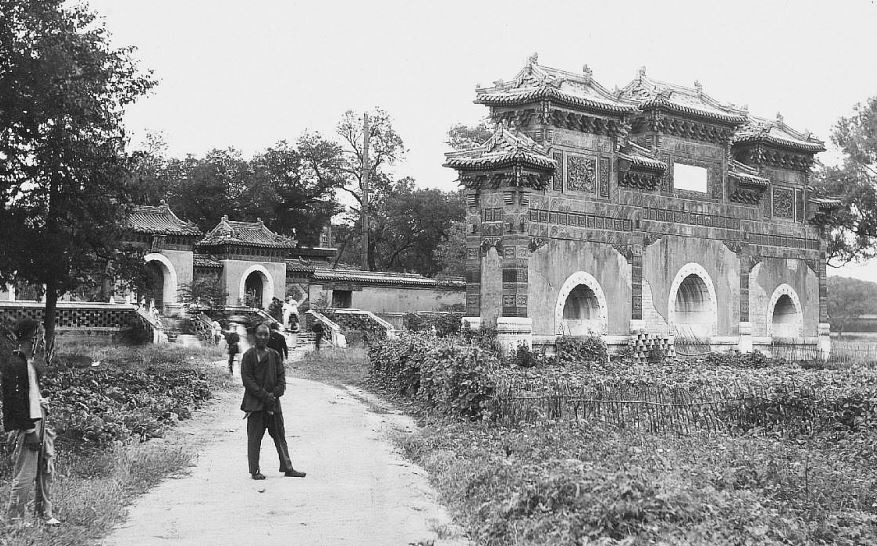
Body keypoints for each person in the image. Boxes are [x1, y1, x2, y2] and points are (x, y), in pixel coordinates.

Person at [1, 319, 60, 526]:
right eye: (40, 337)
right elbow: (14, 402)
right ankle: (14, 519)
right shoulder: (14, 364)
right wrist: (28, 429)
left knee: (45, 469)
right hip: (28, 425)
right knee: (25, 474)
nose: (42, 342)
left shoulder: (29, 364)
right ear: (32, 338)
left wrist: (41, 401)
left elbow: (29, 395)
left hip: (39, 420)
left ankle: (44, 513)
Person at [240, 323, 305, 480]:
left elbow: (281, 381)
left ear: (269, 336)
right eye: (260, 334)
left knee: (280, 436)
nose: (263, 337)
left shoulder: (274, 355)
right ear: (255, 336)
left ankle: (288, 467)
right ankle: (254, 470)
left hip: (273, 405)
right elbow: (247, 381)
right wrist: (265, 396)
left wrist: (274, 395)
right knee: (254, 439)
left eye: (266, 335)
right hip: (255, 405)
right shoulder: (248, 356)